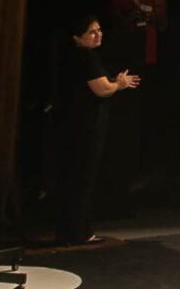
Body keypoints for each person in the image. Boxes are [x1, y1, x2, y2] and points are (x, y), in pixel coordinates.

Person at [56, 14, 140, 244]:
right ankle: (79, 231)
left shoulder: (74, 57)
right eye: (91, 32)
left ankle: (71, 229)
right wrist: (119, 85)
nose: (98, 34)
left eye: (99, 30)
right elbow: (101, 89)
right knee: (83, 176)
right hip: (86, 125)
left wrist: (113, 82)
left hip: (73, 123)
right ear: (77, 37)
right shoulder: (86, 57)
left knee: (74, 177)